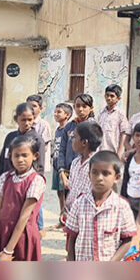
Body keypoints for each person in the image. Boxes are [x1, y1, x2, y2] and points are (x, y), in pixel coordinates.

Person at [0, 136, 46, 262]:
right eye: (16, 155)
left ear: (35, 156)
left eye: (25, 155)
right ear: (10, 156)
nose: (20, 159)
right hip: (2, 231)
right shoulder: (5, 177)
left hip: (23, 235)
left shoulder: (36, 180)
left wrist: (8, 250)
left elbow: (24, 217)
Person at [65, 151, 137, 261]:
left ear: (117, 177)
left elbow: (127, 240)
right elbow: (72, 237)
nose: (99, 178)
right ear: (89, 175)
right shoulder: (79, 203)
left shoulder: (122, 206)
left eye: (106, 173)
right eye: (95, 172)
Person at [57, 94, 95, 224]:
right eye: (77, 106)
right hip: (68, 171)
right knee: (69, 201)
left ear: (91, 108)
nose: (81, 110)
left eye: (84, 106)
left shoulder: (94, 127)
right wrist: (62, 172)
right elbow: (61, 150)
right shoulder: (70, 126)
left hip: (85, 173)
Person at [0, 103, 46, 181]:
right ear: (16, 119)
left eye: (30, 120)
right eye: (23, 120)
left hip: (26, 183)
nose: (26, 123)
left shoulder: (37, 140)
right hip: (8, 181)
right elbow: (3, 162)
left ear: (34, 118)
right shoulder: (10, 137)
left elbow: (39, 167)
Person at [63, 120, 103, 215]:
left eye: (75, 137)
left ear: (84, 142)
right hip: (73, 212)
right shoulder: (75, 162)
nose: (72, 140)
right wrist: (65, 209)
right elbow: (72, 189)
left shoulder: (97, 164)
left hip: (87, 214)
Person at [51, 103, 72, 217]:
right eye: (55, 111)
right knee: (59, 192)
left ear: (67, 115)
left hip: (63, 166)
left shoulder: (68, 130)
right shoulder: (58, 130)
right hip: (56, 164)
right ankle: (61, 215)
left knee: (66, 192)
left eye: (59, 112)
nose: (55, 114)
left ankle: (66, 217)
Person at [96, 84, 129, 158]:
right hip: (100, 150)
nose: (109, 98)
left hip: (113, 152)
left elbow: (123, 134)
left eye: (112, 96)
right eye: (107, 95)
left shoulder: (120, 114)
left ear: (118, 99)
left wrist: (120, 153)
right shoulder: (101, 113)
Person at [26, 94, 52, 172]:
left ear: (40, 108)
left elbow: (44, 147)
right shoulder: (24, 123)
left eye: (34, 106)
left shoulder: (44, 125)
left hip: (37, 163)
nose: (31, 108)